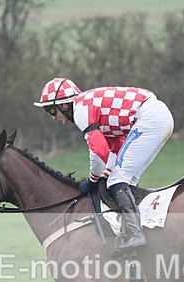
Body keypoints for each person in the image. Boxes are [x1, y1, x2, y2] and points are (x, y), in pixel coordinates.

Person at [34, 77, 174, 255]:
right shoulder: (89, 106)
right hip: (155, 116)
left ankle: (135, 234)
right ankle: (136, 228)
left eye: (51, 110)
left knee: (117, 180)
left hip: (150, 119)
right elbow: (115, 146)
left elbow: (98, 151)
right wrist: (105, 173)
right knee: (124, 180)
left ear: (64, 105)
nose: (53, 117)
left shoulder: (81, 109)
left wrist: (93, 180)